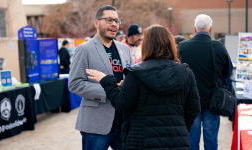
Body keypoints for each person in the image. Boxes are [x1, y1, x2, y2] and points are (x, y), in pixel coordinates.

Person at [85, 24, 201, 150]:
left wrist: (106, 81)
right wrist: (180, 129)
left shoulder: (136, 73)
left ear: (147, 45)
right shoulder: (186, 73)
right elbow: (193, 108)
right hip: (177, 141)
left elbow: (122, 105)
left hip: (141, 141)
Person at [68, 5, 134, 150]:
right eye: (109, 20)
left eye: (117, 21)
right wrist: (110, 90)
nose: (114, 24)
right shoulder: (85, 49)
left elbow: (132, 77)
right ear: (96, 23)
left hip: (123, 121)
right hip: (95, 124)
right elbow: (74, 83)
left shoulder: (124, 49)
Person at [177, 14, 233, 150]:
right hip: (212, 102)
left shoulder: (182, 47)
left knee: (191, 141)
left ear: (195, 29)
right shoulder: (218, 47)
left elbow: (176, 73)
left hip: (190, 102)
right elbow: (228, 72)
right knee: (211, 140)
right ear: (211, 29)